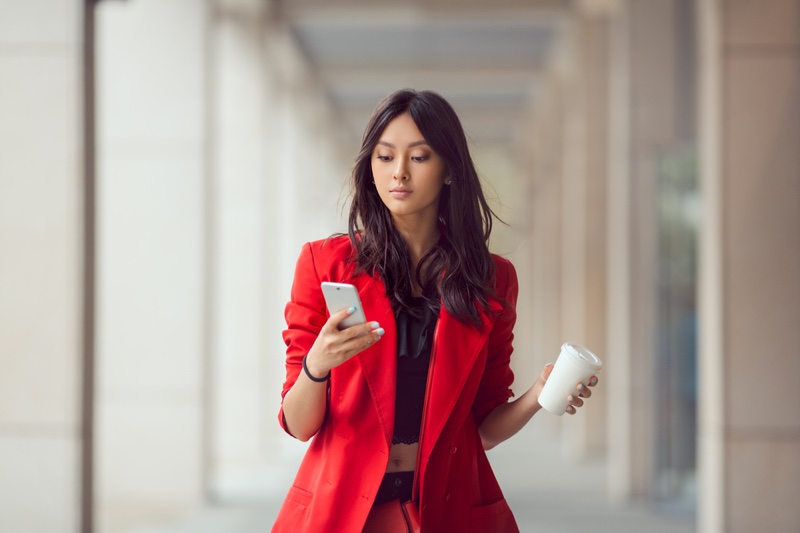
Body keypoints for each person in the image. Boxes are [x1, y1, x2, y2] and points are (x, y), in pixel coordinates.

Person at [271, 89, 598, 533]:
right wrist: (317, 365)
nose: (399, 172)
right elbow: (298, 423)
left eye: (419, 157)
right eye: (384, 157)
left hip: (444, 510)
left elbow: (482, 428)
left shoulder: (491, 280)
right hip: (345, 512)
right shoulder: (325, 264)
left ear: (448, 170)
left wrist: (539, 394)